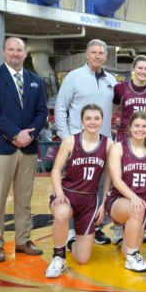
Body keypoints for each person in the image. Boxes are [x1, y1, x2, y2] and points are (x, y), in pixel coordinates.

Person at [0, 37, 48, 263]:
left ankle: (23, 240)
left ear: (26, 53)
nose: (15, 53)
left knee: (24, 198)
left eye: (19, 50)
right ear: (3, 51)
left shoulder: (35, 80)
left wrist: (29, 134)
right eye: (11, 49)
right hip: (1, 147)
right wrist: (14, 134)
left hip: (28, 147)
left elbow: (42, 112)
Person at [55, 39, 117, 245]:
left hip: (103, 143)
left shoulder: (111, 80)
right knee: (75, 186)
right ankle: (72, 232)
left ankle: (95, 226)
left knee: (99, 186)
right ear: (87, 55)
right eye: (94, 52)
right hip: (78, 142)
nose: (98, 56)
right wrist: (67, 138)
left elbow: (115, 110)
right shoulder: (73, 77)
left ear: (106, 56)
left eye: (101, 53)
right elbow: (61, 107)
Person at [45, 104, 113, 278]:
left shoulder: (108, 144)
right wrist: (59, 193)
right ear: (82, 121)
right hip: (67, 194)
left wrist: (104, 201)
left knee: (83, 258)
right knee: (61, 213)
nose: (92, 122)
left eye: (96, 118)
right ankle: (58, 257)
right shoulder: (70, 141)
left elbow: (108, 177)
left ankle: (71, 241)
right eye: (88, 118)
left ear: (102, 121)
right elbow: (55, 170)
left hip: (90, 200)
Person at [105, 111, 146, 273]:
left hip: (141, 204)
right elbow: (117, 180)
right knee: (136, 209)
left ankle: (129, 249)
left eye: (144, 126)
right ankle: (132, 256)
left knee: (126, 248)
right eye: (136, 125)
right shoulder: (118, 148)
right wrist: (133, 197)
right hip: (119, 200)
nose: (140, 129)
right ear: (129, 128)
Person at [113, 55, 146, 143]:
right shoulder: (120, 88)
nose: (143, 71)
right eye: (140, 68)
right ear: (133, 69)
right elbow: (112, 110)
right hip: (125, 134)